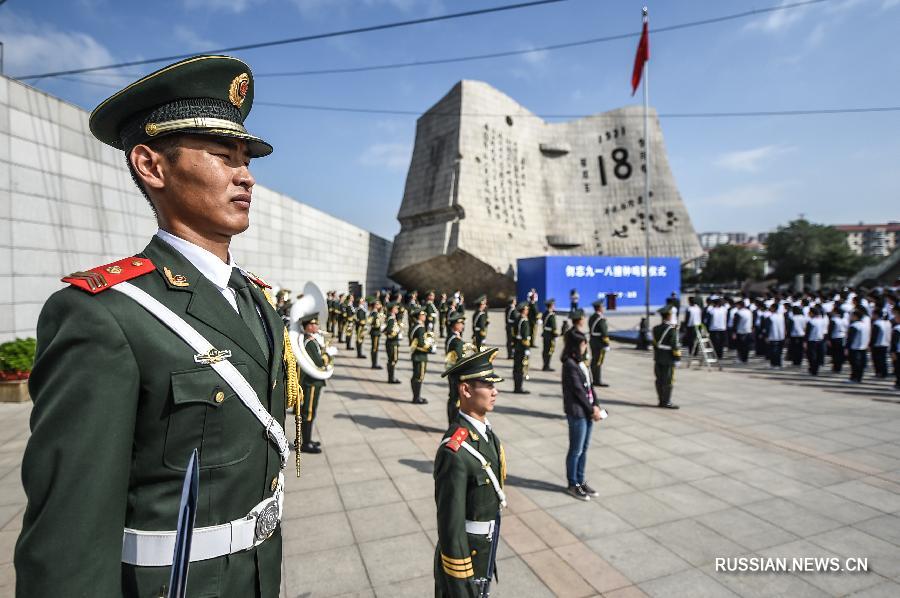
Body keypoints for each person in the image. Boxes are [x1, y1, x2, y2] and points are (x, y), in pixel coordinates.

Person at [15, 55, 292, 597]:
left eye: (246, 158)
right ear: (151, 165)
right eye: (221, 155)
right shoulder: (104, 314)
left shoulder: (255, 300)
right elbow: (70, 532)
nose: (246, 175)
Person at [434, 348, 507, 598]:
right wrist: (461, 584)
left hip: (483, 548)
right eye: (487, 384)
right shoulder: (454, 451)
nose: (494, 391)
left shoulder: (488, 436)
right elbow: (450, 527)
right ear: (466, 390)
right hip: (466, 560)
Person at [561, 330, 603, 501]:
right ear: (576, 345)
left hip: (587, 410)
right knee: (576, 450)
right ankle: (572, 484)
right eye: (583, 343)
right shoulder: (569, 364)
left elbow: (590, 387)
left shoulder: (582, 363)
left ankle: (580, 479)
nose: (585, 346)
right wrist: (591, 409)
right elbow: (578, 391)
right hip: (578, 413)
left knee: (584, 449)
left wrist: (597, 405)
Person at [299, 313, 329, 454]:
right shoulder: (309, 342)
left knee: (311, 411)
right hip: (311, 382)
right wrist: (328, 356)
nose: (317, 326)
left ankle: (308, 440)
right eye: (315, 324)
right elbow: (319, 362)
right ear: (309, 326)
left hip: (313, 381)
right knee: (308, 411)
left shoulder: (311, 339)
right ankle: (305, 443)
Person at [652, 308, 681, 409]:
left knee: (659, 380)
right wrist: (677, 358)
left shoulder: (655, 328)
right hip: (668, 359)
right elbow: (674, 345)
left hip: (658, 358)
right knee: (668, 381)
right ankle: (666, 401)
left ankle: (661, 400)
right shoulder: (672, 330)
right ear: (669, 316)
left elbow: (655, 344)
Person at [444, 311, 467, 424]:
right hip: (456, 374)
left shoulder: (453, 337)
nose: (462, 325)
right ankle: (453, 424)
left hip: (453, 372)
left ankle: (453, 423)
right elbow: (460, 360)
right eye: (460, 323)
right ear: (454, 325)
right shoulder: (456, 341)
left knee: (454, 398)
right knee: (455, 399)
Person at [410, 308, 433, 404]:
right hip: (420, 356)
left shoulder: (416, 326)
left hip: (417, 355)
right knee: (419, 376)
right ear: (418, 316)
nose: (425, 316)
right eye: (423, 314)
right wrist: (429, 348)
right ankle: (416, 398)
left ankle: (416, 396)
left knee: (416, 376)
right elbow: (420, 344)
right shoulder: (420, 328)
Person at [588, 299, 610, 387]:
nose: (603, 308)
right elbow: (604, 333)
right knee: (598, 362)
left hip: (593, 341)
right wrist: (607, 344)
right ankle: (597, 380)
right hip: (599, 342)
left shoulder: (592, 317)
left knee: (594, 360)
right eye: (602, 306)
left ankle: (594, 378)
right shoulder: (601, 319)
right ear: (600, 308)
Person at [512, 302, 532, 394]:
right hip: (522, 347)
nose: (528, 311)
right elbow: (525, 337)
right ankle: (518, 388)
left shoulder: (518, 319)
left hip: (517, 345)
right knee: (520, 368)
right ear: (524, 310)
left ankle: (517, 387)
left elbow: (514, 334)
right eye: (527, 309)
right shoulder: (523, 321)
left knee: (517, 367)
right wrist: (527, 348)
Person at [847, 308, 870, 383]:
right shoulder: (865, 325)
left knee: (854, 364)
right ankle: (859, 378)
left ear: (856, 316)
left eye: (852, 315)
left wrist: (847, 348)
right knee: (861, 364)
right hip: (863, 347)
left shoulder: (854, 326)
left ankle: (854, 378)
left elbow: (850, 338)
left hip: (855, 347)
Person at [806, 306, 828, 376]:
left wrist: (805, 341)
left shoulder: (811, 322)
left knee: (812, 356)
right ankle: (815, 369)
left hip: (812, 340)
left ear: (812, 313)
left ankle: (813, 370)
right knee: (818, 355)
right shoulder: (822, 320)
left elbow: (807, 333)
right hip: (820, 340)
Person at [384, 301, 402, 384]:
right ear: (392, 309)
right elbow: (388, 331)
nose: (397, 309)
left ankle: (391, 377)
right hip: (392, 343)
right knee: (392, 360)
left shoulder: (393, 317)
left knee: (393, 360)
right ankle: (391, 378)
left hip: (393, 342)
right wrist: (396, 332)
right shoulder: (391, 319)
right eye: (396, 308)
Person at [872, 312, 892, 378]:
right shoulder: (888, 323)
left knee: (877, 360)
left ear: (876, 315)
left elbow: (874, 335)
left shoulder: (877, 323)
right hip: (886, 343)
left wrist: (871, 344)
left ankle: (879, 373)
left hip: (878, 344)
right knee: (883, 359)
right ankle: (884, 373)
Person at [766, 302, 785, 368]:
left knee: (773, 352)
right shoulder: (781, 316)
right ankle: (779, 364)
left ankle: (774, 364)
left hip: (773, 337)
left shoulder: (770, 317)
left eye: (771, 308)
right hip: (781, 336)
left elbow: (767, 328)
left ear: (773, 308)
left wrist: (767, 337)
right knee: (779, 352)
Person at [829, 306, 848, 373]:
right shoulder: (843, 319)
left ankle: (835, 367)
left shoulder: (834, 319)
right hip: (842, 337)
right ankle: (839, 367)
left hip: (835, 337)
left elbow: (830, 330)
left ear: (835, 311)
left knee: (835, 353)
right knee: (840, 353)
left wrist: (829, 339)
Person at [542, 298, 559, 371]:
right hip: (550, 335)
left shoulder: (545, 313)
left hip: (545, 333)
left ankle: (545, 365)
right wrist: (556, 335)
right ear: (551, 305)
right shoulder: (551, 315)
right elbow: (553, 327)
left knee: (545, 350)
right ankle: (546, 366)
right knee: (549, 351)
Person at [368, 298, 384, 370]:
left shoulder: (376, 312)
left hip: (376, 332)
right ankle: (374, 364)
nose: (379, 305)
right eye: (378, 304)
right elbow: (371, 322)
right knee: (374, 348)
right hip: (375, 332)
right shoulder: (374, 313)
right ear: (375, 306)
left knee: (375, 348)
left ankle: (374, 363)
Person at [891, 305, 900, 389]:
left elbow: (894, 342)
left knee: (898, 368)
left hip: (898, 351)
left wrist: (892, 352)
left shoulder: (897, 328)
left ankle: (898, 384)